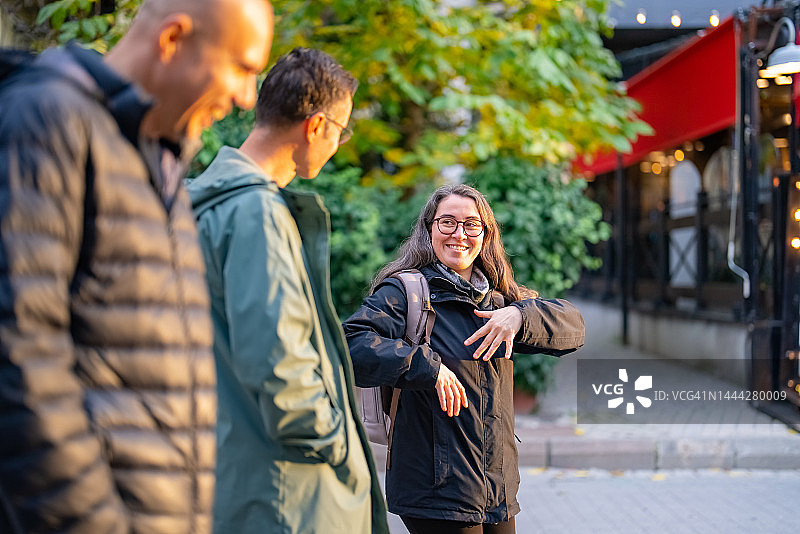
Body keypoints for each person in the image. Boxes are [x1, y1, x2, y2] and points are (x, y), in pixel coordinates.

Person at [0, 1, 273, 532]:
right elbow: (20, 357)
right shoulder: (47, 118)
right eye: (241, 68)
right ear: (172, 40)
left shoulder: (156, 156)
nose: (247, 96)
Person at [187, 47, 389, 534]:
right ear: (316, 126)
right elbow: (280, 365)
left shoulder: (201, 203)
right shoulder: (256, 213)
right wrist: (338, 442)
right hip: (290, 494)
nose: (338, 143)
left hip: (235, 472)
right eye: (341, 131)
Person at [343, 184, 586, 534]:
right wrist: (428, 367)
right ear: (429, 228)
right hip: (436, 491)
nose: (459, 234)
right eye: (447, 222)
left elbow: (573, 328)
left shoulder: (497, 299)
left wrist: (520, 316)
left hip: (495, 489)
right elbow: (351, 344)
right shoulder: (407, 293)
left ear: (485, 234)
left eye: (471, 224)